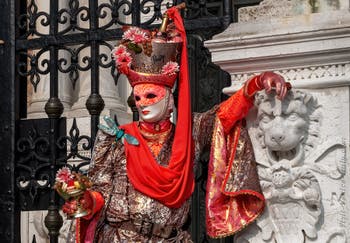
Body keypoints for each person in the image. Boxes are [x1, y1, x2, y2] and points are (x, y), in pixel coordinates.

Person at [62, 4, 290, 243]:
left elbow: (224, 115)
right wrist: (87, 201)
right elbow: (100, 190)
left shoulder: (190, 132)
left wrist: (256, 84)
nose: (142, 104)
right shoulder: (115, 138)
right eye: (138, 97)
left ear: (169, 100)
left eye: (150, 96)